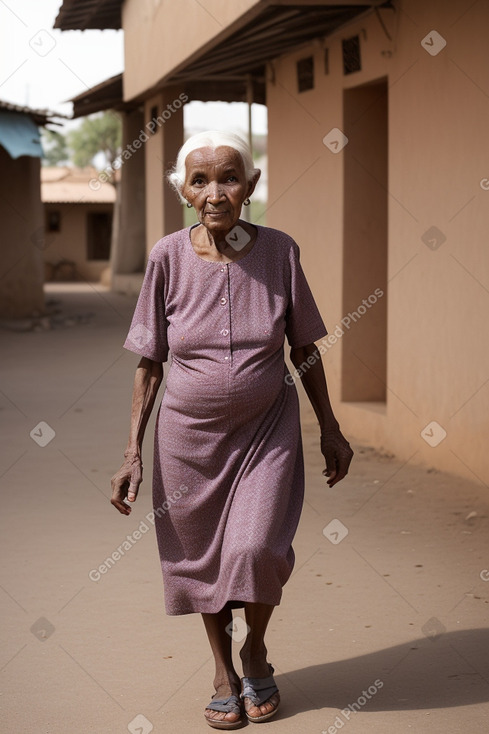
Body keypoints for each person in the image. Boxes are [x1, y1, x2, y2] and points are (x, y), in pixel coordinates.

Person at [111, 130, 353, 730]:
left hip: (267, 429)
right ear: (185, 191)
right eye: (200, 180)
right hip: (186, 439)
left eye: (228, 178)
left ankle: (255, 648)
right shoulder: (167, 256)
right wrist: (131, 453)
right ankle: (223, 669)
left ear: (251, 186)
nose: (215, 192)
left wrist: (330, 427)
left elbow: (305, 348)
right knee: (199, 558)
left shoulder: (279, 252)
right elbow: (151, 360)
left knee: (255, 549)